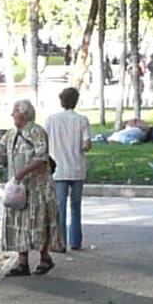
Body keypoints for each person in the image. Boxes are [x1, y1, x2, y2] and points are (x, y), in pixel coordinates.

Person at [0, 98, 60, 276]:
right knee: (19, 223)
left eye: (15, 111)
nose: (12, 114)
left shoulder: (37, 132)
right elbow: (0, 146)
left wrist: (22, 173)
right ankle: (22, 262)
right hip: (19, 189)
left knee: (39, 222)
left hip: (37, 187)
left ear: (25, 114)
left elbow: (41, 157)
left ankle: (45, 258)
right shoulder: (12, 134)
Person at [45, 81, 91, 251]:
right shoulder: (82, 120)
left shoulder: (51, 120)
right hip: (77, 168)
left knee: (60, 207)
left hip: (58, 169)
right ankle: (76, 240)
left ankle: (60, 241)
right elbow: (87, 144)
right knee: (76, 205)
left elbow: (44, 141)